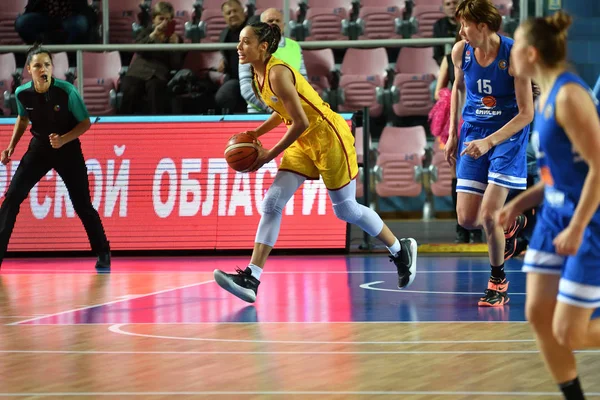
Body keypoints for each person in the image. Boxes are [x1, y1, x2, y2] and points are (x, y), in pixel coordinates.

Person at [213, 22, 418, 303]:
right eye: (239, 41)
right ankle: (252, 278)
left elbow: (301, 121)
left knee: (345, 209)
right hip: (302, 142)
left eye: (246, 42)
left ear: (263, 47)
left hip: (327, 137)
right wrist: (256, 133)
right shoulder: (256, 73)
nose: (239, 47)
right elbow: (282, 111)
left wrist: (267, 155)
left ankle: (399, 248)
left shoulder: (278, 73)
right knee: (272, 202)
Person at [497, 11, 600, 400]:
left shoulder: (570, 96)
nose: (511, 54)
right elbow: (557, 174)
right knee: (539, 316)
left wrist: (576, 228)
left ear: (533, 54)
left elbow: (598, 170)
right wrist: (520, 202)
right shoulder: (543, 99)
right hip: (554, 216)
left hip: (587, 219)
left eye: (517, 46)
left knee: (570, 332)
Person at [444, 0, 534, 307]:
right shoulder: (461, 51)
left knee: (488, 216)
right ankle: (512, 224)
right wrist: (453, 132)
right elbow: (457, 88)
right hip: (473, 132)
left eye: (466, 25)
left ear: (483, 26)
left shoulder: (514, 55)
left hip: (507, 134)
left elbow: (526, 114)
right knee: (467, 219)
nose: (461, 31)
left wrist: (490, 142)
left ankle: (498, 281)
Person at [0, 45, 111, 272]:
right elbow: (22, 119)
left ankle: (103, 251)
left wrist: (64, 139)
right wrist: (11, 146)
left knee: (82, 204)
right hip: (39, 148)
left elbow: (85, 123)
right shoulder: (22, 93)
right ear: (29, 69)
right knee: (12, 198)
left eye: (48, 65)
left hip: (68, 149)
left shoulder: (67, 91)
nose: (44, 69)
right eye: (38, 65)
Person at [432, 31, 483, 244]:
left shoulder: (484, 56)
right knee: (456, 173)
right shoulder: (450, 57)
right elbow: (439, 90)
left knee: (477, 172)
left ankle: (476, 226)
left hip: (478, 116)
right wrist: (453, 100)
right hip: (455, 116)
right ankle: (460, 226)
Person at [119, 1, 184, 115]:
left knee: (155, 89)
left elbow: (176, 64)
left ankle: (157, 126)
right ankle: (122, 124)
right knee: (130, 89)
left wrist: (176, 46)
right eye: (161, 19)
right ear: (154, 19)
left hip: (158, 74)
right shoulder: (145, 32)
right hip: (138, 72)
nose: (164, 23)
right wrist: (153, 35)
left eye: (168, 20)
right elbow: (138, 49)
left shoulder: (175, 38)